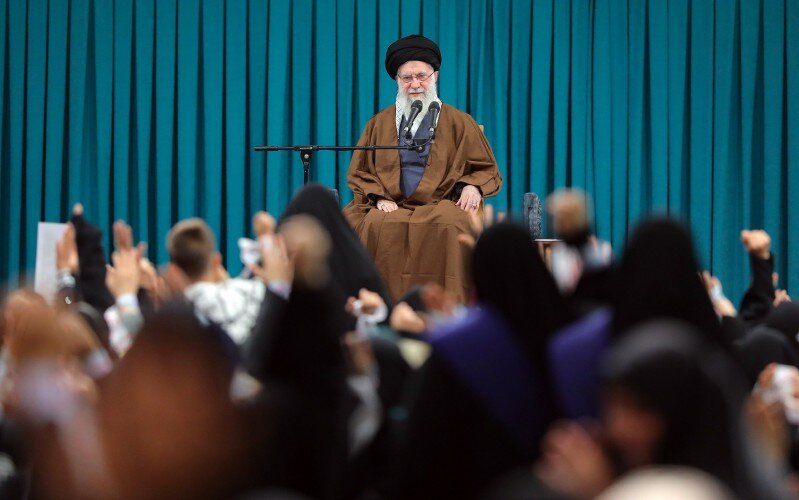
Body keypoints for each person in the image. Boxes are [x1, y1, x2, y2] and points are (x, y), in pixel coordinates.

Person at [343, 34, 502, 302]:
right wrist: (379, 197)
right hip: (390, 203)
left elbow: (485, 167)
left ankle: (448, 307)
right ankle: (381, 308)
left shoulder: (460, 122)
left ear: (435, 76)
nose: (415, 84)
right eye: (407, 78)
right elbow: (360, 171)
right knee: (373, 225)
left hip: (442, 202)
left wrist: (473, 186)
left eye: (421, 76)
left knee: (451, 224)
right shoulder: (378, 124)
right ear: (397, 80)